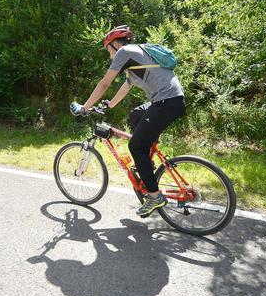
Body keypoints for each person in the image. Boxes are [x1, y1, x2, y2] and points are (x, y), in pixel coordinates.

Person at [70, 25, 186, 218]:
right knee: (136, 114)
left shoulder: (123, 52)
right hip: (170, 101)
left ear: (115, 44)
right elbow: (125, 87)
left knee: (136, 146)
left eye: (108, 49)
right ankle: (145, 164)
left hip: (166, 102)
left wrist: (85, 107)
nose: (109, 55)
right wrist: (109, 105)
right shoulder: (136, 58)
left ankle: (154, 196)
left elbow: (104, 83)